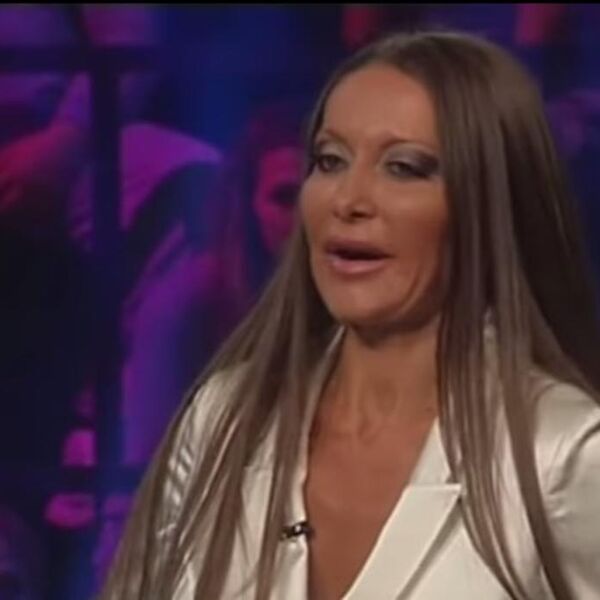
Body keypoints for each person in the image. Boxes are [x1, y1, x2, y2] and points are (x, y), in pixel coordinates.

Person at [99, 30, 600, 599]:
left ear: (490, 203)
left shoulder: (563, 453)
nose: (347, 200)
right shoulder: (226, 419)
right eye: (329, 161)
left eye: (403, 168)